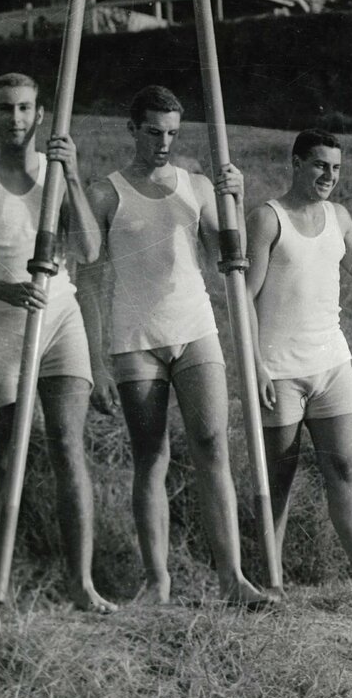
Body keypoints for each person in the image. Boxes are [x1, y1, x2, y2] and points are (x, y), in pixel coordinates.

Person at [80, 85, 270, 608]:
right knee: (152, 455)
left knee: (212, 445)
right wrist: (96, 361)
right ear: (132, 129)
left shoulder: (198, 186)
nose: (163, 143)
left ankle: (232, 579)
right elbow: (89, 281)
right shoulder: (106, 193)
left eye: (171, 133)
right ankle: (157, 582)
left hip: (195, 329)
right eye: (153, 132)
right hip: (135, 339)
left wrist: (236, 200)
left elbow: (228, 258)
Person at [0, 72, 114, 612]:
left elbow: (89, 250)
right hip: (0, 325)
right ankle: (1, 587)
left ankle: (82, 585)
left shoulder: (56, 175)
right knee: (6, 457)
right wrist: (5, 290)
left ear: (40, 115)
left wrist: (73, 177)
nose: (15, 118)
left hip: (59, 317)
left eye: (24, 108)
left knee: (68, 446)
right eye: (5, 108)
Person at [245, 129, 352, 609]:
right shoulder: (268, 218)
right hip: (279, 367)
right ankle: (271, 582)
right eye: (319, 165)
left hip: (331, 362)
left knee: (344, 467)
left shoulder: (339, 216)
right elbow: (244, 297)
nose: (329, 176)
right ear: (296, 163)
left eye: (335, 168)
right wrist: (255, 365)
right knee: (278, 477)